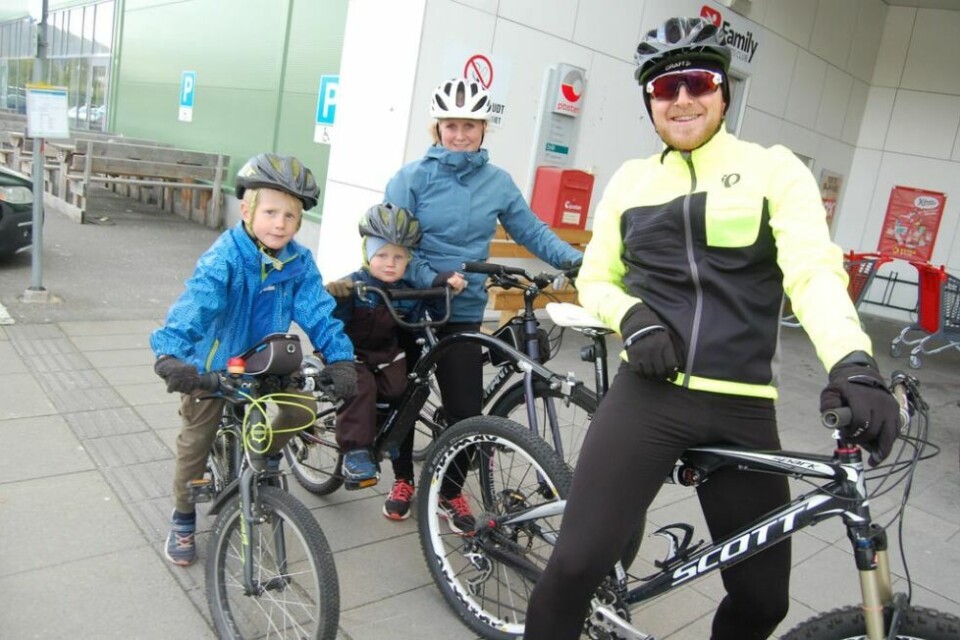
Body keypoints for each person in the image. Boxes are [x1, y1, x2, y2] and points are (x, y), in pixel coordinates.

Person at [524, 17, 900, 639]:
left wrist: (852, 362)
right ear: (650, 101)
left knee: (762, 600)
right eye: (664, 88)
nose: (682, 99)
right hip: (649, 398)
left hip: (743, 404)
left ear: (723, 91)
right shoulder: (631, 181)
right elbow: (595, 280)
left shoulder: (774, 169)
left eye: (697, 82)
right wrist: (634, 319)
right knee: (573, 567)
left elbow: (812, 271)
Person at [379, 77, 583, 526]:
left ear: (483, 129)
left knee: (465, 409)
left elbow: (530, 231)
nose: (460, 134)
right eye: (451, 125)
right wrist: (427, 274)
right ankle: (403, 479)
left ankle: (450, 491)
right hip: (412, 302)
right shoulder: (411, 178)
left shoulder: (498, 183)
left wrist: (576, 261)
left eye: (470, 125)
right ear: (438, 129)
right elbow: (386, 242)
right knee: (402, 396)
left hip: (463, 307)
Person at [150, 152, 357, 567]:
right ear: (246, 210)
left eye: (291, 217)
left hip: (267, 364)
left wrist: (340, 358)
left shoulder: (298, 262)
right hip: (212, 369)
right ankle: (184, 516)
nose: (280, 223)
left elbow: (318, 311)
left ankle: (266, 478)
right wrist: (172, 354)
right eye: (270, 212)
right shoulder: (225, 257)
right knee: (196, 442)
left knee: (295, 411)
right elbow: (197, 303)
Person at [324, 203, 423, 489]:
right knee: (362, 387)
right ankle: (355, 450)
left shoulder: (407, 291)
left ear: (408, 260)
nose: (390, 263)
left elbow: (413, 323)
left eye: (398, 257)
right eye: (381, 255)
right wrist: (337, 296)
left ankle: (382, 433)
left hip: (384, 354)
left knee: (399, 388)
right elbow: (331, 321)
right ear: (368, 254)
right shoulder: (354, 285)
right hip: (349, 353)